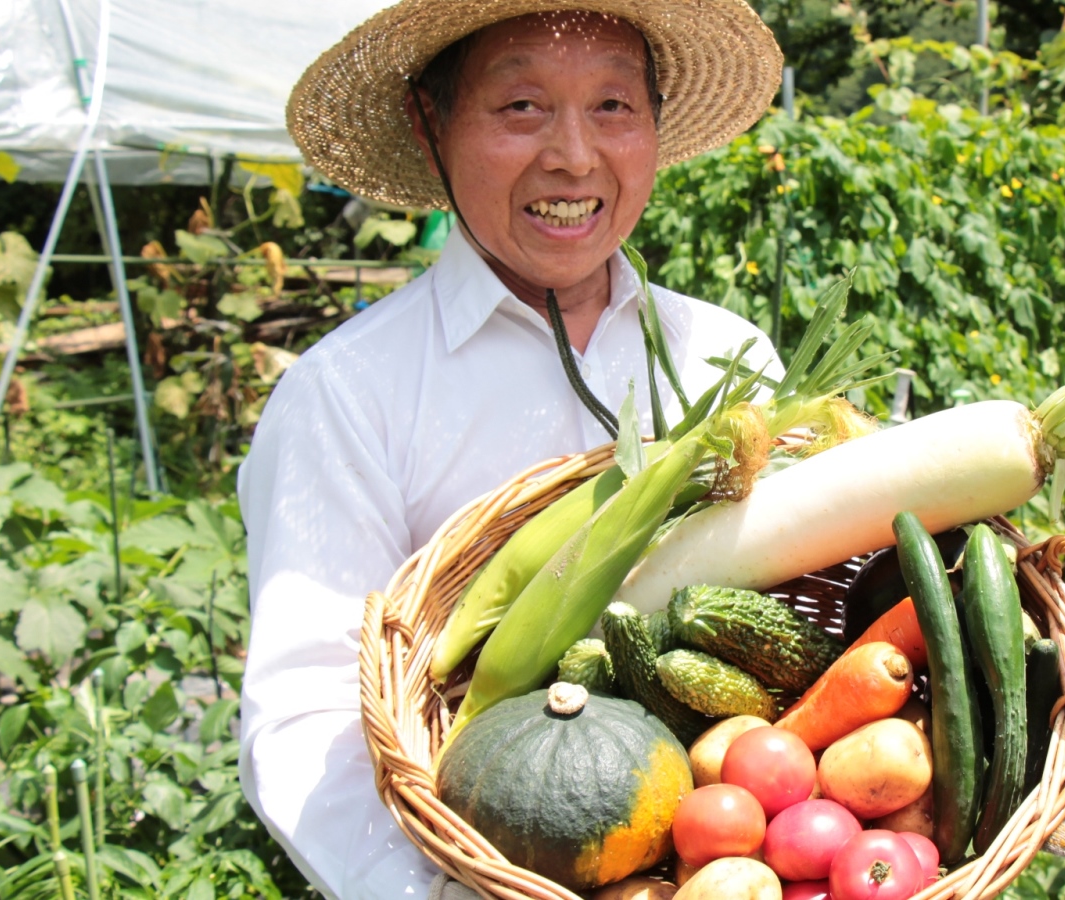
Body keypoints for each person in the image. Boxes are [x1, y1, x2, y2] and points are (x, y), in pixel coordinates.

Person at [236, 1, 783, 896]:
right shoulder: (346, 397)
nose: (573, 155)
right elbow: (308, 726)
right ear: (429, 121)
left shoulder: (729, 362)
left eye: (613, 106)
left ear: (655, 124)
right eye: (521, 107)